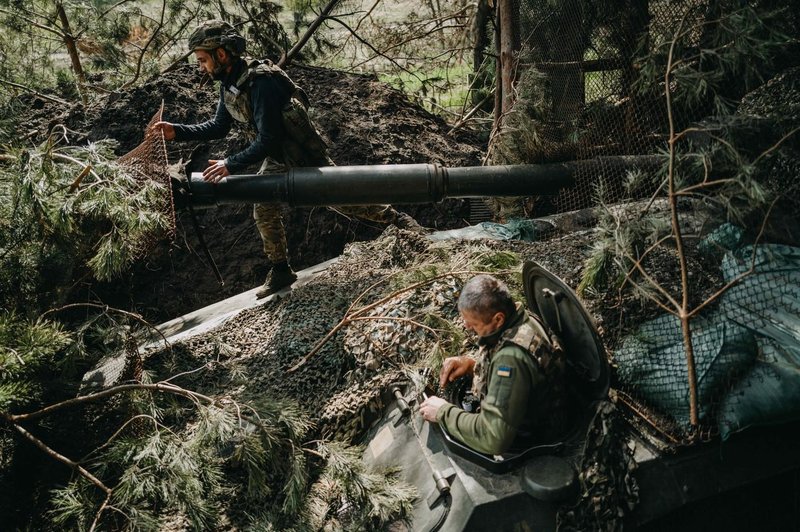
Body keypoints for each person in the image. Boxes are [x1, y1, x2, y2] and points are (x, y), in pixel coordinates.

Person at [152, 20, 424, 298]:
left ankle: (399, 221)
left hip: (299, 155)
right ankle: (281, 269)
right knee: (266, 206)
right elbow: (220, 126)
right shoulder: (230, 82)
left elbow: (267, 139)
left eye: (203, 60)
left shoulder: (261, 82)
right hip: (278, 156)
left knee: (343, 201)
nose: (201, 67)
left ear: (221, 55)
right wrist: (177, 132)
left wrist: (229, 164)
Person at [419, 274, 568, 456]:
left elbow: (492, 438)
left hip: (531, 439)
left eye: (473, 323)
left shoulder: (510, 360)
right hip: (542, 407)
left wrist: (443, 412)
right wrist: (473, 366)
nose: (466, 326)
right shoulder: (522, 319)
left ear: (498, 319)